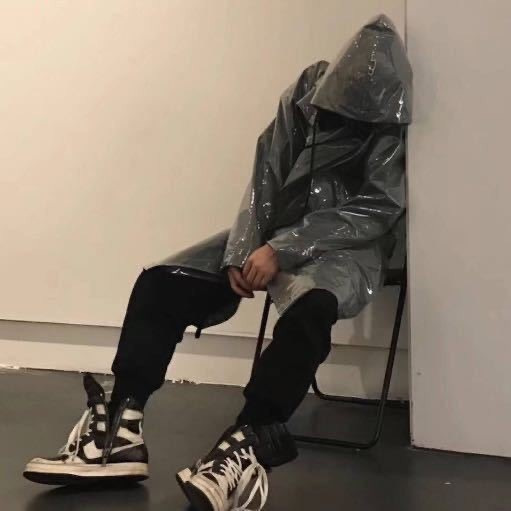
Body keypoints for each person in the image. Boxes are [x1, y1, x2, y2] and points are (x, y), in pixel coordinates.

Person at [23, 14, 412, 511]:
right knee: (163, 282)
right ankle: (120, 430)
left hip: (349, 245)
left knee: (312, 309)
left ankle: (245, 446)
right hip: (277, 229)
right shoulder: (308, 91)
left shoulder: (390, 120)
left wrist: (284, 249)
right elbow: (268, 169)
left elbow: (376, 208)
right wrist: (243, 249)